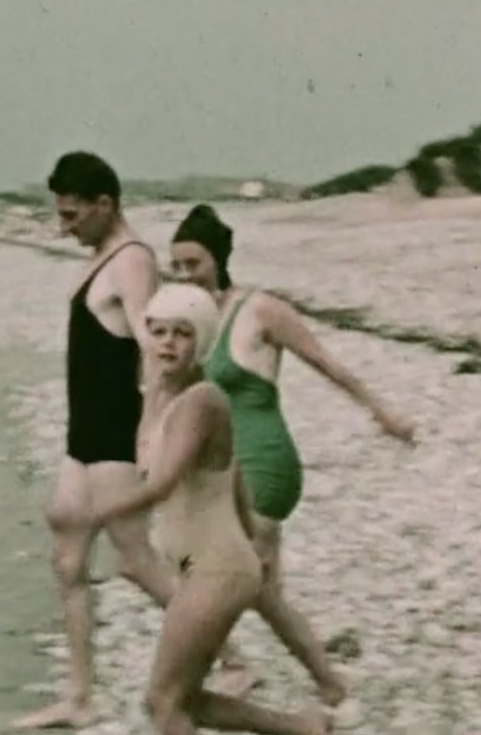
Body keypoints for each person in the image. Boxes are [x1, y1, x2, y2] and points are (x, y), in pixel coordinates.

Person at [12, 153, 247, 730]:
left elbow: (159, 349)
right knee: (67, 555)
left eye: (72, 214)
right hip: (83, 433)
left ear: (104, 205)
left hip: (116, 429)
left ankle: (234, 658)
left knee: (136, 560)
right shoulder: (101, 258)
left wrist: (151, 431)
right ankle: (80, 696)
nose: (64, 226)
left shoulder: (132, 260)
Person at [169, 204, 415, 707]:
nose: (184, 275)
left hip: (265, 457)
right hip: (222, 467)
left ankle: (247, 667)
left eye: (192, 264)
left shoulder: (260, 309)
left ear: (218, 259)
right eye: (176, 266)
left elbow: (327, 363)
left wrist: (382, 412)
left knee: (236, 573)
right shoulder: (189, 320)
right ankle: (314, 674)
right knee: (258, 583)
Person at [93, 282, 332, 734]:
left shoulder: (203, 399)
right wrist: (251, 538)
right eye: (159, 331)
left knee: (162, 703)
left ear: (201, 340)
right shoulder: (159, 397)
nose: (167, 342)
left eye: (182, 333)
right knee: (185, 699)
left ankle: (318, 704)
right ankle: (302, 726)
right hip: (207, 566)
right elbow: (235, 473)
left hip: (216, 570)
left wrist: (91, 514)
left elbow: (163, 483)